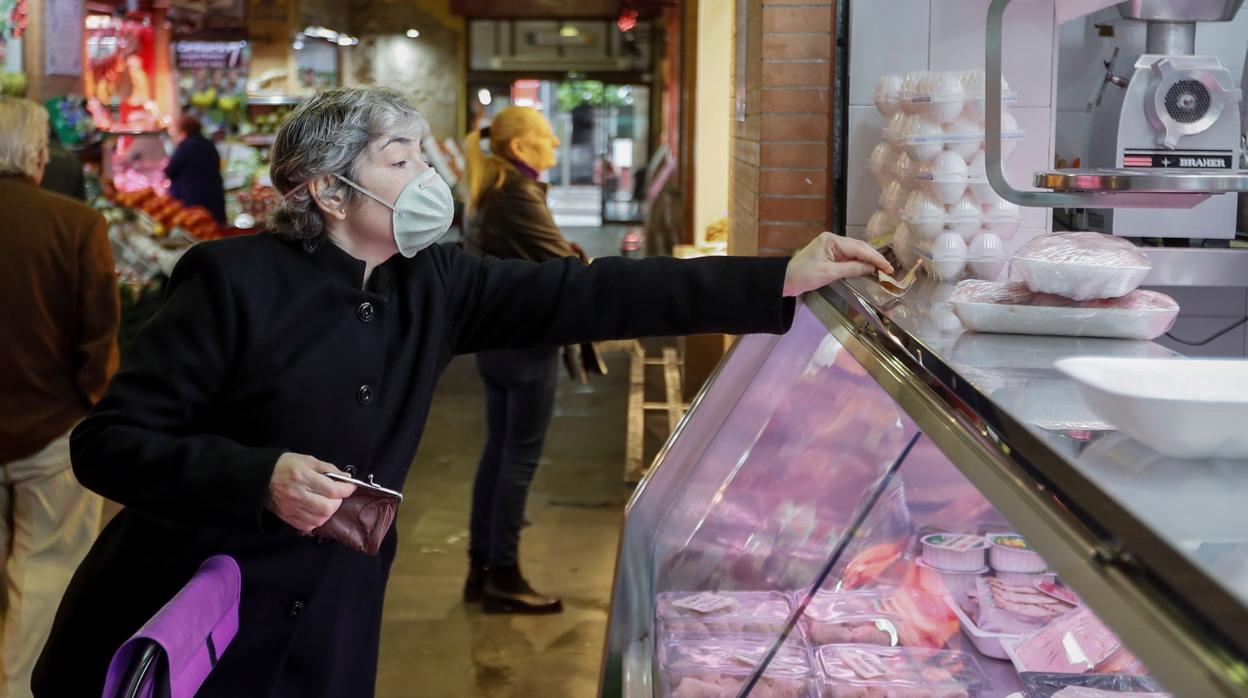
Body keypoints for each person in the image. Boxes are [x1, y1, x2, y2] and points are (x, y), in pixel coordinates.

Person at [32, 87, 890, 697]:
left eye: (425, 155)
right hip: (198, 607)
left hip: (333, 613)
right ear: (329, 191)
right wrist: (259, 478)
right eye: (398, 159)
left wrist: (778, 274)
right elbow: (108, 444)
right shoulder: (230, 281)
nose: (428, 179)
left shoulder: (432, 279)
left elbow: (589, 293)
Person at [0, 97, 118, 698]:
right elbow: (99, 332)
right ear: (38, 156)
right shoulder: (76, 225)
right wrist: (95, 406)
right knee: (46, 571)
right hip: (53, 429)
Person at [460, 106, 586, 614]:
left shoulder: (498, 189)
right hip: (525, 343)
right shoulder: (516, 192)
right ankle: (505, 576)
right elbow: (566, 265)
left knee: (499, 453)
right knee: (519, 459)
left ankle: (481, 567)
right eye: (545, 135)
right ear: (519, 148)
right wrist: (579, 257)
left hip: (497, 341)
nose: (555, 142)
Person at [165, 114, 227, 224]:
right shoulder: (209, 144)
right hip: (213, 195)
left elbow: (170, 170)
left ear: (183, 130)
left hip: (192, 198)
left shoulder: (185, 146)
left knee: (197, 228)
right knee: (213, 229)